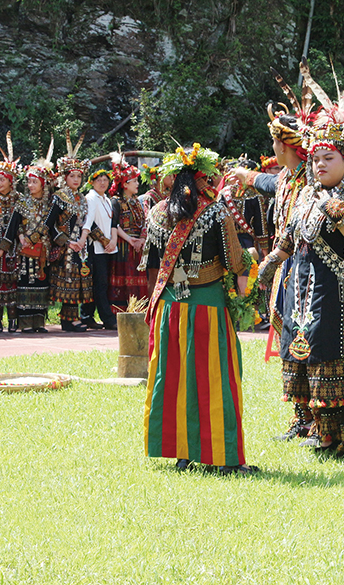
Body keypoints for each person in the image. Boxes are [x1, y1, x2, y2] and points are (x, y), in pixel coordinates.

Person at [257, 70, 344, 455]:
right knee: (303, 352)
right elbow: (290, 233)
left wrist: (343, 221)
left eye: (328, 158)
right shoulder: (305, 194)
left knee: (336, 356)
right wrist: (272, 261)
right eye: (316, 158)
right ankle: (313, 425)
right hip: (304, 291)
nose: (320, 165)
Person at [141, 143, 256, 475]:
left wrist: (158, 302)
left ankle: (181, 454)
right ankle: (224, 458)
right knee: (215, 379)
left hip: (168, 309)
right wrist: (252, 265)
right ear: (203, 178)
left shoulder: (157, 212)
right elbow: (235, 261)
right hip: (207, 306)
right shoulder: (216, 211)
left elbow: (151, 266)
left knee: (174, 378)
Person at [231, 79, 315, 441]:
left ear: (285, 145)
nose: (272, 147)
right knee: (286, 342)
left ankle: (317, 418)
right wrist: (247, 177)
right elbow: (269, 184)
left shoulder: (312, 180)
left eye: (275, 142)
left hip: (309, 272)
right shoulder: (286, 177)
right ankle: (299, 417)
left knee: (307, 341)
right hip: (285, 273)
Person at [1, 155, 55, 333]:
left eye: (34, 182)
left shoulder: (49, 204)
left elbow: (54, 225)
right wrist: (19, 236)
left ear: (42, 184)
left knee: (41, 283)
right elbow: (13, 226)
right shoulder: (22, 202)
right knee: (26, 283)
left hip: (43, 251)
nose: (30, 185)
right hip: (25, 251)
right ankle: (25, 323)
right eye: (29, 182)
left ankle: (39, 322)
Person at [48, 136, 93, 332]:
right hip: (65, 247)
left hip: (80, 245)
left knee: (78, 281)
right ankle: (68, 319)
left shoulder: (82, 198)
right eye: (72, 176)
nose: (76, 180)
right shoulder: (59, 197)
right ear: (64, 177)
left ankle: (72, 318)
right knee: (68, 281)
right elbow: (49, 224)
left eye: (79, 177)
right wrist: (67, 242)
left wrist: (84, 239)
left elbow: (87, 222)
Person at [0, 135, 21, 333]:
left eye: (2, 179)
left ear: (10, 180)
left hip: (12, 247)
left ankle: (13, 319)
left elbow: (22, 225)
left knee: (12, 283)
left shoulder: (19, 199)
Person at [108, 157, 147, 311]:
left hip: (137, 245)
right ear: (124, 184)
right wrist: (130, 239)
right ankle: (121, 311)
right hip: (124, 244)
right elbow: (114, 224)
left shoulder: (137, 201)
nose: (137, 184)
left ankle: (139, 309)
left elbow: (144, 221)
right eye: (134, 181)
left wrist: (141, 239)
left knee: (138, 278)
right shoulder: (116, 202)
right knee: (122, 277)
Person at [82, 168, 118, 329]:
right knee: (98, 283)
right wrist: (103, 241)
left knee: (101, 283)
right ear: (92, 182)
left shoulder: (107, 200)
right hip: (94, 247)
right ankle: (107, 319)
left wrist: (113, 241)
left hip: (107, 248)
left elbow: (113, 223)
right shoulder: (91, 198)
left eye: (105, 180)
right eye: (99, 180)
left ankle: (88, 315)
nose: (102, 183)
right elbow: (88, 222)